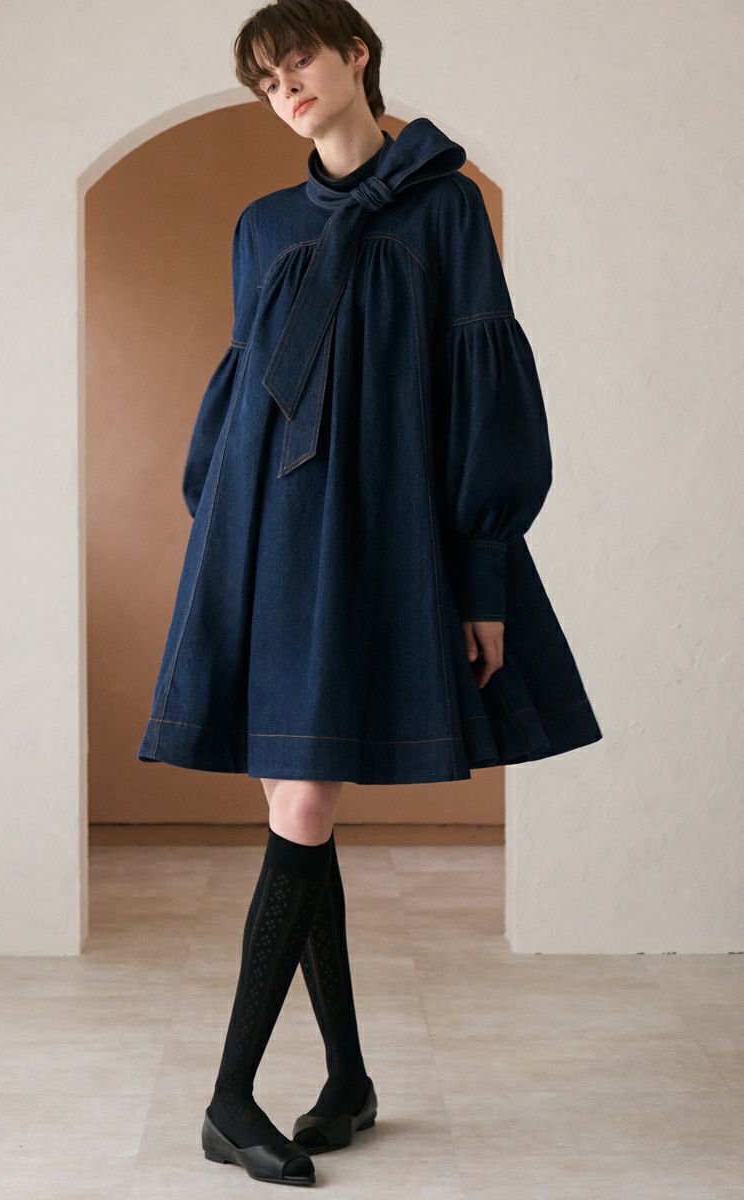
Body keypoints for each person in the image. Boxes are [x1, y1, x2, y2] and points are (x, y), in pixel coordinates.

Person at [137, 0, 603, 1186]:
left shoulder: (446, 207)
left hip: (379, 539)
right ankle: (345, 1078)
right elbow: (241, 391)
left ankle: (230, 1098)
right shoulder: (262, 226)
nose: (283, 86)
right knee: (302, 803)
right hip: (266, 541)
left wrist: (482, 573)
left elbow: (482, 392)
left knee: (304, 800)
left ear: (355, 54)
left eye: (297, 59)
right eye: (263, 78)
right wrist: (225, 533)